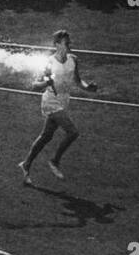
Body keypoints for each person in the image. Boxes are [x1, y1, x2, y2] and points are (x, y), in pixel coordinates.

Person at [19, 31, 98, 185]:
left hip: (63, 101)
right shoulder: (48, 63)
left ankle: (26, 163)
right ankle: (55, 161)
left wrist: (89, 88)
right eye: (66, 42)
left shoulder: (73, 59)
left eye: (69, 42)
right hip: (51, 101)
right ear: (57, 44)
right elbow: (35, 86)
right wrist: (46, 83)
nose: (69, 44)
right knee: (73, 132)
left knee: (46, 136)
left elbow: (77, 80)